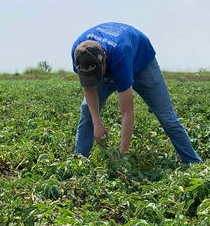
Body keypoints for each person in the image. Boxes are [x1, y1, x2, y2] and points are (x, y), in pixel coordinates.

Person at [71, 22, 202, 164]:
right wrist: (96, 121)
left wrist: (123, 157)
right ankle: (80, 162)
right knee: (87, 111)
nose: (96, 79)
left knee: (167, 117)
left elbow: (127, 112)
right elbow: (88, 87)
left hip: (142, 65)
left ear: (104, 61)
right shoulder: (79, 52)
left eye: (97, 74)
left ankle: (193, 163)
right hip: (114, 61)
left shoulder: (120, 54)